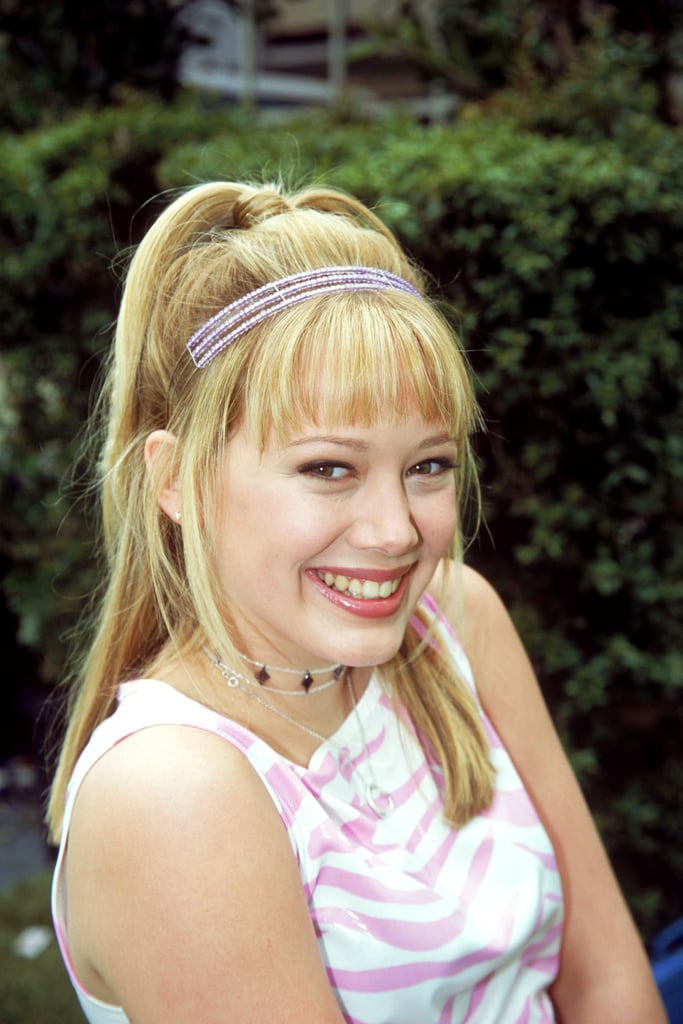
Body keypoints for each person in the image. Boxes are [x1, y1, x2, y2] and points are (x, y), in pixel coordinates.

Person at [47, 180, 666, 1024]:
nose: (395, 532)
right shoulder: (174, 794)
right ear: (173, 481)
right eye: (328, 468)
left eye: (427, 466)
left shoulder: (452, 619)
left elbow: (604, 982)